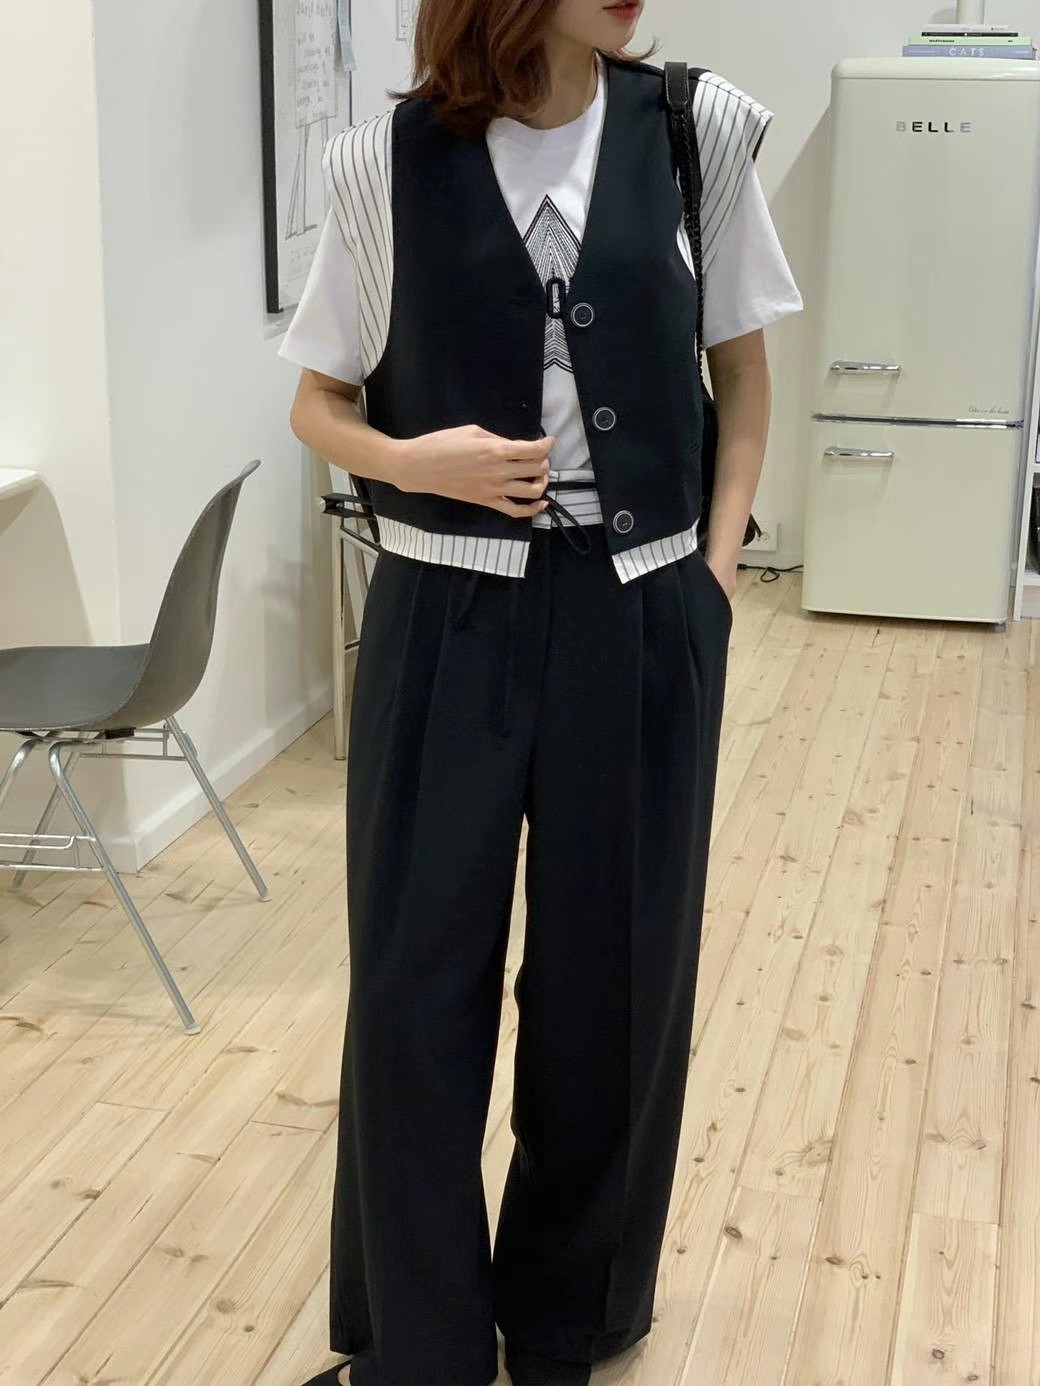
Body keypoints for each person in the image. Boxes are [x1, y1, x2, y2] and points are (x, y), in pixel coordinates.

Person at [279, 1, 802, 1382]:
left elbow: (744, 379)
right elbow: (317, 404)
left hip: (640, 612)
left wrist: (713, 575)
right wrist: (421, 461)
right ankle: (421, 1343)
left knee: (612, 986)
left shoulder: (694, 132)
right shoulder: (382, 160)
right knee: (413, 988)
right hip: (443, 611)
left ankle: (573, 1314)